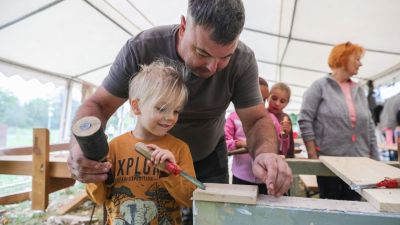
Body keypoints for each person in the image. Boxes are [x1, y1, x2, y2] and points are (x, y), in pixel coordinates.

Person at [68, 0, 292, 199]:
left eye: (225, 57)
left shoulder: (243, 60)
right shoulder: (141, 48)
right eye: (202, 53)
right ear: (184, 26)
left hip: (208, 158)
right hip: (146, 161)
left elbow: (255, 120)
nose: (212, 67)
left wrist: (265, 153)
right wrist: (80, 145)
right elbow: (99, 104)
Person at [86, 61, 196, 224]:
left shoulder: (179, 149)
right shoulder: (114, 147)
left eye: (176, 111)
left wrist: (170, 171)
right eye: (162, 108)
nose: (171, 117)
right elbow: (99, 198)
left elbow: (188, 200)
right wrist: (95, 174)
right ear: (136, 107)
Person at [298, 41, 379, 201]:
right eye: (357, 59)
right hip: (329, 162)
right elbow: (305, 119)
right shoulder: (319, 86)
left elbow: (369, 125)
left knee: (354, 207)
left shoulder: (359, 90)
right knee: (331, 205)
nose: (360, 64)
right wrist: (313, 154)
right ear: (343, 58)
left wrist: (375, 158)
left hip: (359, 162)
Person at [224, 77, 290, 194]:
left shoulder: (272, 120)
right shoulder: (233, 118)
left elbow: (282, 149)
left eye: (263, 100)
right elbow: (225, 142)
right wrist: (240, 143)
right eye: (255, 99)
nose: (260, 104)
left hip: (265, 178)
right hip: (241, 177)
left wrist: (284, 136)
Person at [267, 82, 295, 158]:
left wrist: (286, 134)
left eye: (282, 101)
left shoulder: (285, 119)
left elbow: (290, 146)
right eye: (274, 98)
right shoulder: (261, 115)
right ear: (267, 97)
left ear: (287, 103)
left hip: (280, 159)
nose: (277, 103)